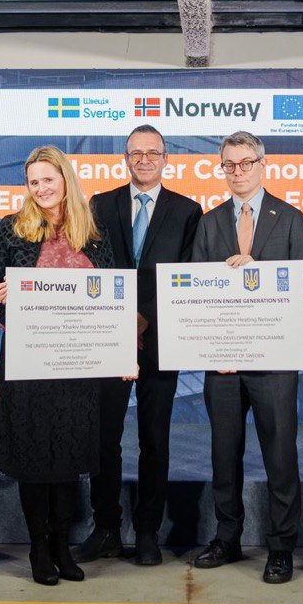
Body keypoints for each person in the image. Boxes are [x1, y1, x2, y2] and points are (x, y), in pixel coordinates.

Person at [0, 145, 116, 586]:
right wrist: (0, 292)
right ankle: (40, 547)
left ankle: (62, 545)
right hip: (28, 362)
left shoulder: (92, 233)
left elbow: (111, 292)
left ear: (65, 181)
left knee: (68, 458)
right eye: (34, 182)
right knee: (35, 460)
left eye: (48, 180)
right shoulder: (11, 228)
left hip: (76, 365)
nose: (41, 189)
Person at [190, 130, 303, 584]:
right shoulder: (210, 222)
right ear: (221, 168)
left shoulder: (290, 218)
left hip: (273, 361)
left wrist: (261, 277)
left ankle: (281, 548)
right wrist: (211, 349)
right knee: (224, 456)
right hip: (222, 362)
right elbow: (197, 295)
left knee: (280, 457)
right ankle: (227, 538)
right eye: (229, 164)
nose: (238, 172)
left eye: (246, 163)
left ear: (263, 165)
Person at [78, 125, 202, 567]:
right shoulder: (101, 204)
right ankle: (106, 527)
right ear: (125, 158)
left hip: (161, 340)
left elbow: (186, 273)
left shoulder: (189, 211)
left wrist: (143, 316)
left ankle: (148, 531)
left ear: (166, 159)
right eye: (136, 153)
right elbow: (94, 265)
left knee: (155, 439)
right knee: (103, 439)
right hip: (108, 337)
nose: (145, 160)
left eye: (153, 153)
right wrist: (121, 320)